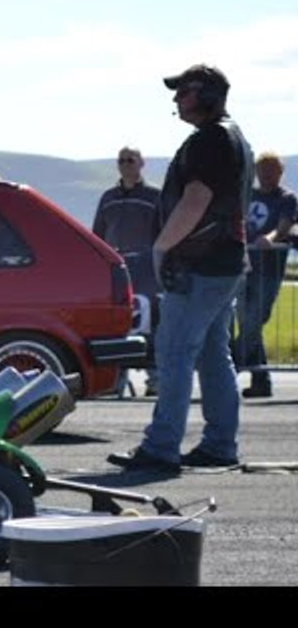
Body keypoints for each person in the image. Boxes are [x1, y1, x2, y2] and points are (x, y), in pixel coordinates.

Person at [107, 64, 251, 472]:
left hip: (200, 266)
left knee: (174, 352)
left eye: (184, 92)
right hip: (223, 263)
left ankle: (161, 447)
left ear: (206, 95)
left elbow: (195, 199)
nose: (176, 99)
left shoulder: (209, 141)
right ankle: (220, 445)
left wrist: (161, 247)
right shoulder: (234, 138)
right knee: (211, 354)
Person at [92, 146, 162, 396]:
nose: (126, 164)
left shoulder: (155, 196)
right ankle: (117, 380)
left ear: (141, 163)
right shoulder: (109, 197)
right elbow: (97, 234)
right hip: (119, 270)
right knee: (119, 323)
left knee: (150, 322)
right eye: (121, 161)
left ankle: (155, 378)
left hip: (147, 270)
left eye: (130, 160)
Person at [235, 152, 296, 398]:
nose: (267, 176)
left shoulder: (287, 198)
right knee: (248, 323)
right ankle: (261, 381)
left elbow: (284, 225)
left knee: (254, 320)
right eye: (262, 171)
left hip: (269, 270)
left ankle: (230, 365)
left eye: (272, 171)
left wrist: (269, 239)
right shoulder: (248, 195)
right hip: (244, 268)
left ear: (280, 173)